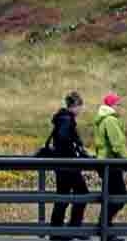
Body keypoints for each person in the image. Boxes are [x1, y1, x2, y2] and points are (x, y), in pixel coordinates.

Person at [38, 90, 90, 233]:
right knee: (82, 193)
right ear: (75, 105)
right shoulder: (67, 120)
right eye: (80, 106)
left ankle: (57, 230)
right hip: (68, 164)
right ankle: (73, 227)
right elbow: (63, 138)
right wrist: (75, 149)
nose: (81, 110)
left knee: (63, 195)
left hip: (62, 164)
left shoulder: (62, 118)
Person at [88, 92, 127, 230]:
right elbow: (117, 144)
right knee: (119, 196)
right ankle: (104, 227)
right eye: (118, 104)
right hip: (111, 163)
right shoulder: (110, 120)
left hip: (104, 162)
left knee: (111, 196)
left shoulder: (103, 119)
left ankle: (105, 227)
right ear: (112, 105)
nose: (120, 107)